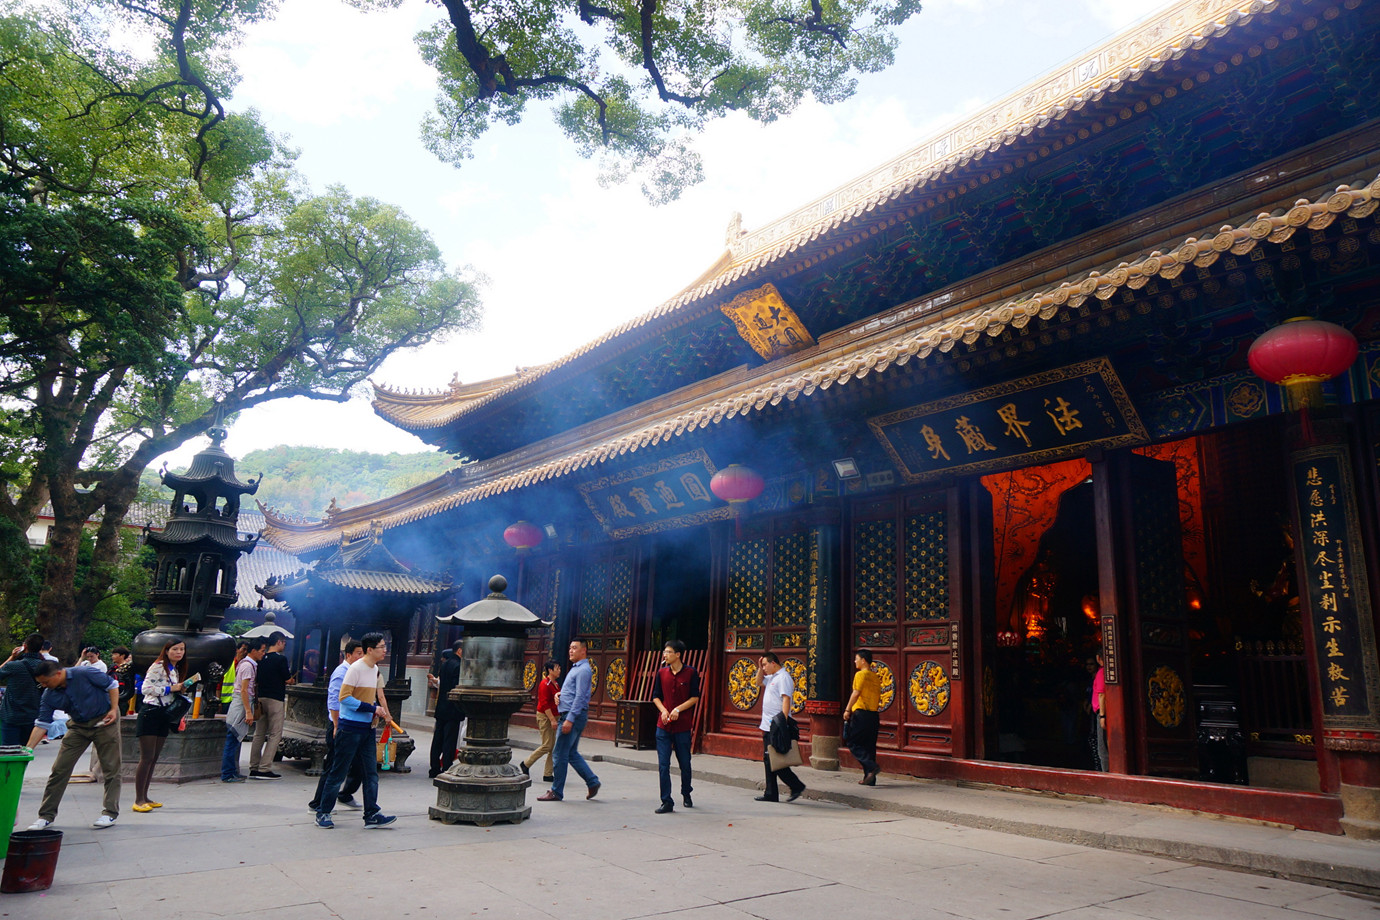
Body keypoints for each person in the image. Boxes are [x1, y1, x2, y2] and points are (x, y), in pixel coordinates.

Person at [24, 660, 122, 830]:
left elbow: (112, 684)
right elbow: (42, 723)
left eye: (46, 682)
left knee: (111, 768)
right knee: (59, 769)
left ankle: (110, 813)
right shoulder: (49, 694)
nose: (44, 686)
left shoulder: (84, 673)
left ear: (58, 673)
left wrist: (114, 709)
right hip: (78, 726)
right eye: (41, 683)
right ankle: (46, 816)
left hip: (105, 720)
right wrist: (28, 749)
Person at [314, 632, 396, 829]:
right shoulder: (355, 669)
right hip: (350, 729)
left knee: (371, 773)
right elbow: (344, 698)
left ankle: (372, 814)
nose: (385, 650)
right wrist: (372, 708)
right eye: (382, 647)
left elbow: (368, 698)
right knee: (338, 772)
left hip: (367, 729)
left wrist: (378, 711)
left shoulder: (374, 669)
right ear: (370, 650)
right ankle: (323, 812)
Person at [537, 638, 600, 802]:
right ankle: (592, 781)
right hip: (572, 715)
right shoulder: (575, 668)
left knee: (558, 753)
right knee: (571, 753)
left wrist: (569, 719)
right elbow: (573, 692)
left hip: (572, 716)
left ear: (583, 651)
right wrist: (560, 695)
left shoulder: (584, 670)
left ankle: (556, 791)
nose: (571, 650)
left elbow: (580, 697)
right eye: (570, 647)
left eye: (575, 648)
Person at [308, 640, 366, 812]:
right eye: (358, 653)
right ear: (348, 655)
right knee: (333, 766)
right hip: (339, 724)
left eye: (363, 653)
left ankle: (345, 794)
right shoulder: (342, 672)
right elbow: (333, 700)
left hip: (353, 725)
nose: (361, 656)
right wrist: (335, 725)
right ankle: (317, 803)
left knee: (358, 764)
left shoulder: (358, 672)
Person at [132, 640, 187, 812]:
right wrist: (171, 689)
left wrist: (179, 689)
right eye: (175, 649)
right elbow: (146, 688)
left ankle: (145, 796)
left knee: (154, 758)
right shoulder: (158, 666)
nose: (179, 652)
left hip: (164, 713)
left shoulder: (174, 669)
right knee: (146, 757)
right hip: (151, 712)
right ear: (167, 651)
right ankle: (138, 799)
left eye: (182, 649)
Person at [651, 639, 700, 813]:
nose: (665, 655)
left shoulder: (690, 673)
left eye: (668, 652)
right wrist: (664, 710)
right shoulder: (661, 673)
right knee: (663, 764)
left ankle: (686, 792)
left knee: (684, 763)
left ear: (678, 654)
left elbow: (695, 697)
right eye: (664, 652)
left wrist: (678, 709)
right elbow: (656, 696)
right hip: (663, 726)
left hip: (682, 726)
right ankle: (666, 800)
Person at [755, 653, 805, 803]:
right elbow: (758, 682)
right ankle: (771, 793)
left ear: (774, 663)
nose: (764, 668)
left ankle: (795, 785)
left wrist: (782, 723)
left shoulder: (783, 677)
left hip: (776, 725)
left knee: (775, 759)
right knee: (768, 758)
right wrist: (759, 668)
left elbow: (786, 699)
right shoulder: (772, 677)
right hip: (767, 725)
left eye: (765, 665)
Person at [222, 637, 266, 783]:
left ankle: (232, 771)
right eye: (262, 651)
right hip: (241, 705)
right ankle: (227, 773)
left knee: (236, 739)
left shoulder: (248, 664)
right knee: (233, 739)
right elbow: (244, 691)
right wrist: (248, 711)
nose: (263, 654)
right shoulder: (248, 666)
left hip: (242, 704)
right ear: (254, 651)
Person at [250, 631, 290, 779]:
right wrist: (290, 680)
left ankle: (254, 766)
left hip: (261, 698)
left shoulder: (261, 658)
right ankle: (264, 768)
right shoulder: (281, 660)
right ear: (279, 642)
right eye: (284, 642)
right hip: (275, 699)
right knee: (275, 733)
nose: (284, 645)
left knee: (259, 733)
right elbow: (286, 678)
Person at [0, 634, 47, 746]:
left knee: (8, 751)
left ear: (24, 646)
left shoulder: (13, 666)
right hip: (33, 715)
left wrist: (12, 657)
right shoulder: (45, 667)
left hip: (11, 715)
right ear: (41, 648)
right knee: (24, 751)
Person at [843, 649, 881, 786]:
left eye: (856, 659)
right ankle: (869, 778)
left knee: (852, 742)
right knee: (869, 745)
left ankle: (872, 766)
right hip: (873, 715)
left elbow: (856, 693)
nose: (855, 661)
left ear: (863, 660)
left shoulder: (860, 675)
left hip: (861, 714)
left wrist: (847, 709)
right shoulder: (875, 676)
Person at [428, 640, 465, 778]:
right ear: (460, 650)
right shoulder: (459, 666)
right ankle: (447, 767)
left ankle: (434, 767)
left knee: (438, 738)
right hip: (453, 708)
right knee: (449, 739)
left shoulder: (445, 664)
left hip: (441, 707)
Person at [520, 659, 560, 782]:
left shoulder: (556, 684)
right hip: (545, 716)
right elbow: (544, 704)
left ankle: (548, 773)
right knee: (547, 744)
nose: (559, 670)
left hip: (554, 716)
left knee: (552, 746)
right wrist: (552, 720)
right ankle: (526, 763)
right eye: (557, 668)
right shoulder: (544, 684)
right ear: (550, 670)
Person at [1092, 651, 1108, 772]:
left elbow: (1101, 694)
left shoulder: (1102, 672)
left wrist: (1102, 716)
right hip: (1102, 712)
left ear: (1098, 658)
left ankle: (1106, 774)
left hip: (1102, 713)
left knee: (1102, 748)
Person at [221, 640, 250, 710]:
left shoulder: (247, 666)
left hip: (239, 700)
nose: (245, 652)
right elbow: (219, 684)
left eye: (247, 650)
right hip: (225, 701)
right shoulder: (229, 664)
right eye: (244, 649)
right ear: (237, 650)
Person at [111, 646, 137, 713]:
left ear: (122, 655)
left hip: (122, 696)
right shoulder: (112, 668)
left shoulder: (128, 668)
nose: (113, 656)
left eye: (115, 654)